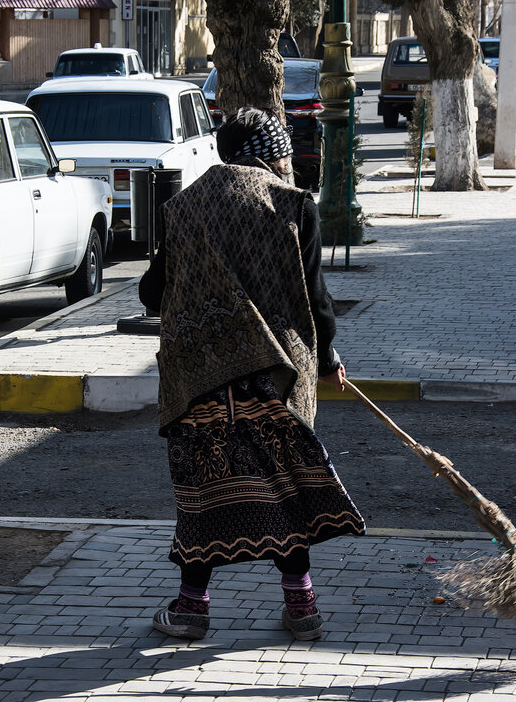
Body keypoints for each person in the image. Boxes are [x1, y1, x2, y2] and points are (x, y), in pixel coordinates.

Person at [139, 106, 364, 642]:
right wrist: (329, 359)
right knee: (285, 489)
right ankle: (302, 608)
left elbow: (152, 293)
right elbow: (315, 299)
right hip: (275, 379)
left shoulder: (185, 207)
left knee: (204, 492)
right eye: (285, 151)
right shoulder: (292, 204)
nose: (289, 161)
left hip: (201, 383)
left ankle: (191, 609)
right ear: (271, 153)